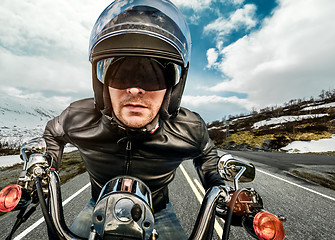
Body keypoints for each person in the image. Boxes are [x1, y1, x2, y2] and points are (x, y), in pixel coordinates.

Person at [43, 0, 224, 238]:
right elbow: (53, 132)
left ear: (172, 88)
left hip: (158, 210)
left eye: (153, 77)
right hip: (97, 206)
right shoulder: (78, 117)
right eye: (122, 74)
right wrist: (46, 169)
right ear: (102, 84)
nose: (136, 89)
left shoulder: (190, 128)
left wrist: (217, 186)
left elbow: (207, 154)